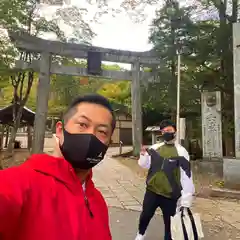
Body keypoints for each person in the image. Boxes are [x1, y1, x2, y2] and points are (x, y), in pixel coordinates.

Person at [0, 94, 115, 240]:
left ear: (108, 144)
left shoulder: (98, 203)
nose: (91, 135)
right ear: (60, 130)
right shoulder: (19, 184)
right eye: (82, 125)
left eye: (102, 132)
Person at [135, 120, 195, 240]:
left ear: (175, 132)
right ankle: (141, 233)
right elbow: (145, 165)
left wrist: (186, 197)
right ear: (161, 133)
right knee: (145, 215)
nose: (167, 133)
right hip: (152, 190)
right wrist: (143, 155)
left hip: (171, 194)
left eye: (169, 130)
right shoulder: (154, 148)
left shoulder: (182, 152)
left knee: (170, 222)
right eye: (164, 131)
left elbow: (186, 175)